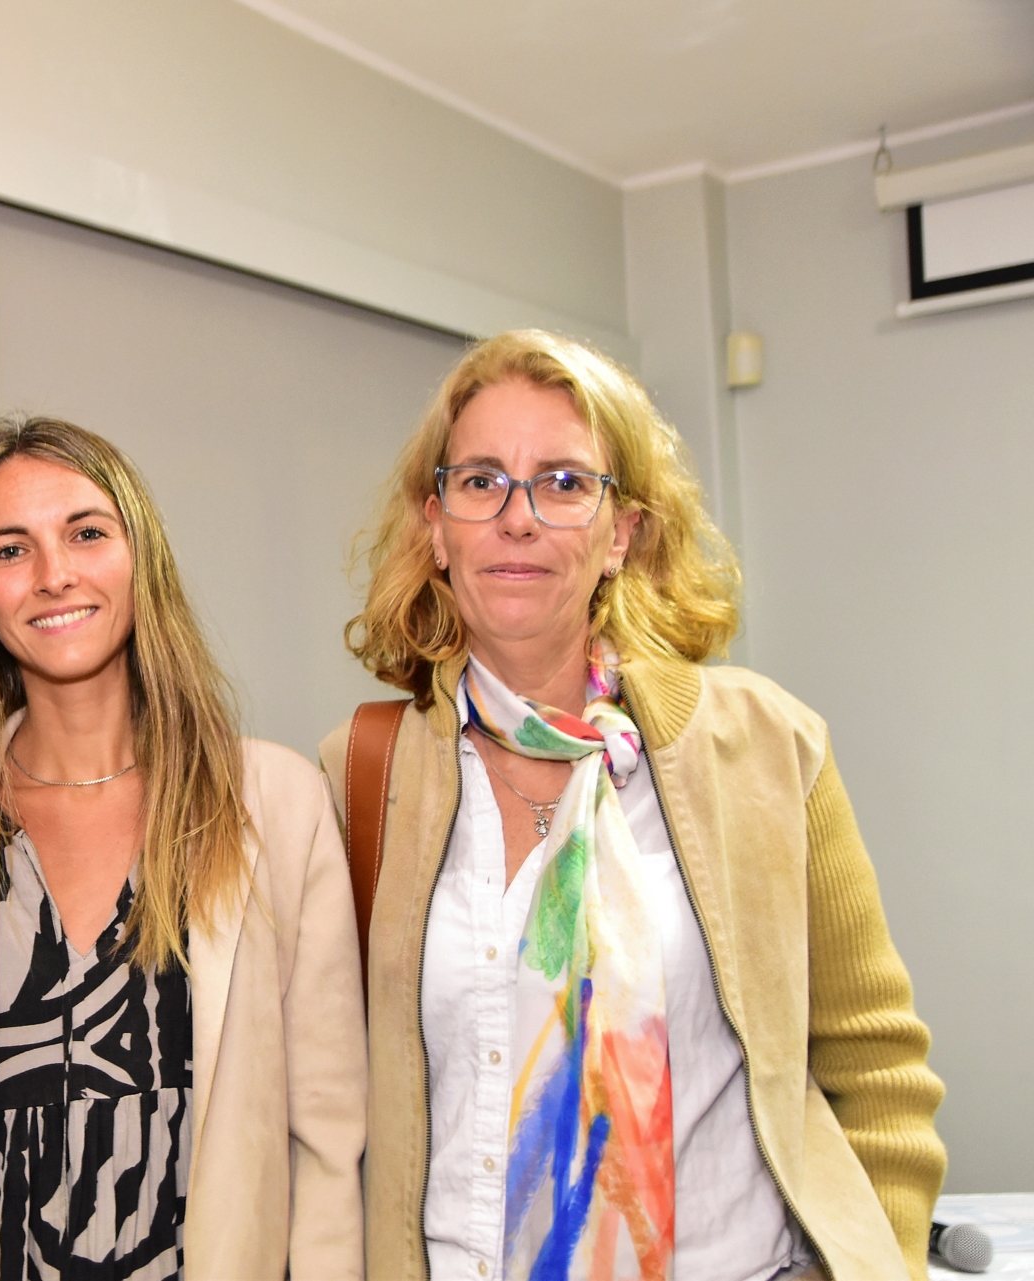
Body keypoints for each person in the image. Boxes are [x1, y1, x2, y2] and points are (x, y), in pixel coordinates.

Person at [320, 329, 946, 1281]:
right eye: (482, 481)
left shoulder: (766, 747)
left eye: (565, 482)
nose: (518, 518)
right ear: (436, 526)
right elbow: (324, 1108)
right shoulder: (358, 775)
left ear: (622, 532)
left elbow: (876, 1066)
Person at [0, 417, 367, 1280]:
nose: (54, 574)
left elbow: (328, 1139)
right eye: (10, 549)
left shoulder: (273, 802)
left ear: (140, 559)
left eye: (86, 533)